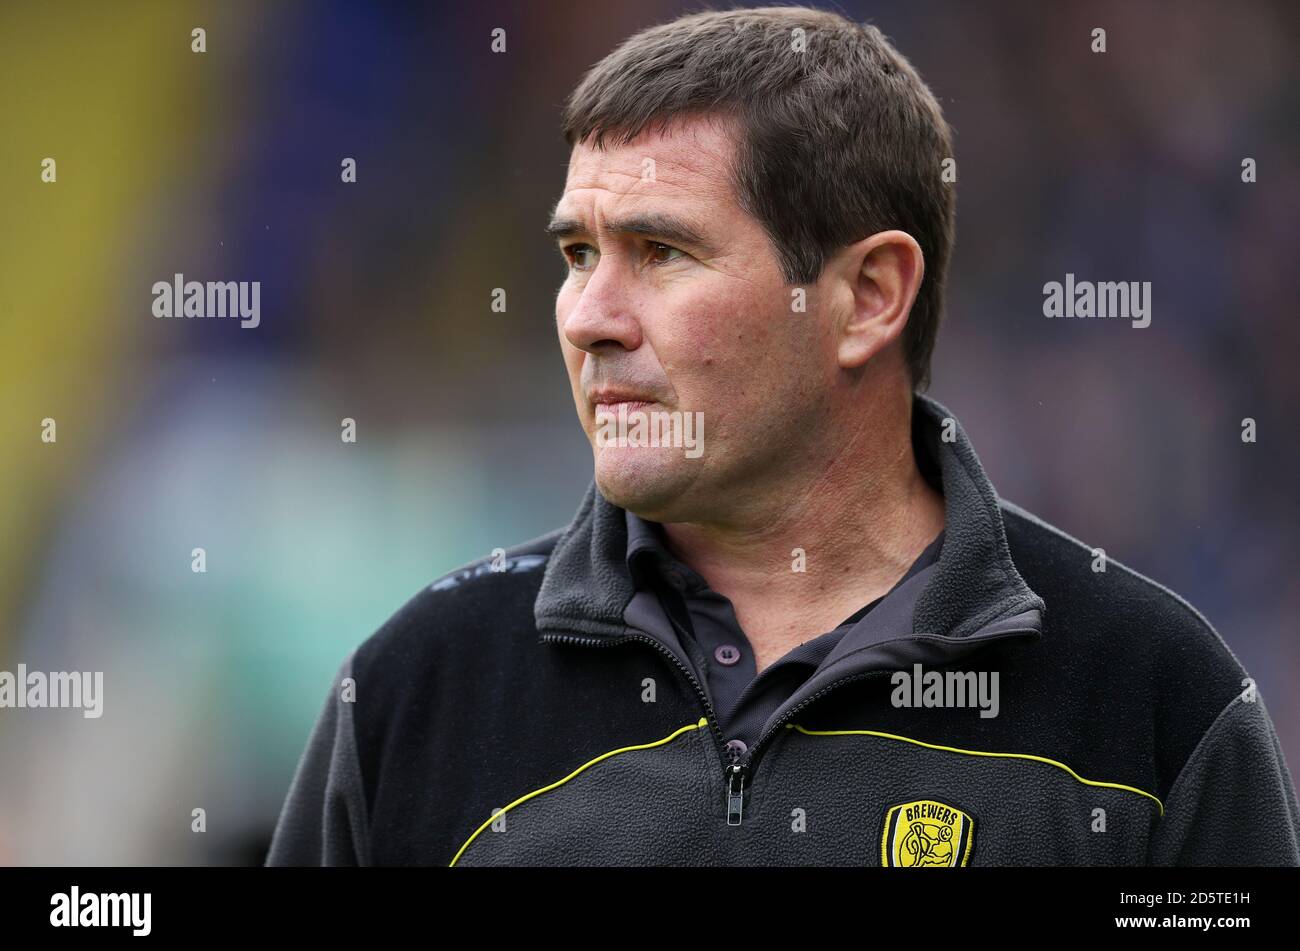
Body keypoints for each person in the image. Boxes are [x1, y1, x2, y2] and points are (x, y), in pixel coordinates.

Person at [266, 5, 1300, 866]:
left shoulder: (1152, 704)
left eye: (661, 251)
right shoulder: (418, 691)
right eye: (579, 254)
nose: (588, 315)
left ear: (866, 297)